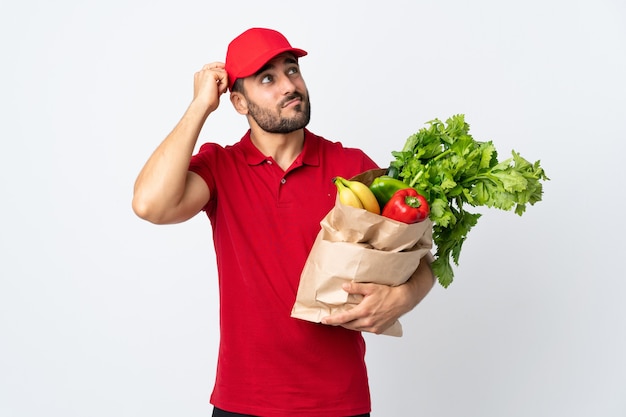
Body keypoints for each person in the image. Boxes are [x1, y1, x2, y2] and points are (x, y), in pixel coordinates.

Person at [132, 27, 435, 417]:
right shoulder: (220, 168)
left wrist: (405, 296)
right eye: (267, 79)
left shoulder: (354, 168)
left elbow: (418, 258)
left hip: (338, 403)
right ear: (239, 102)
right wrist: (200, 107)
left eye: (292, 70)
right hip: (244, 401)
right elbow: (149, 204)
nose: (289, 86)